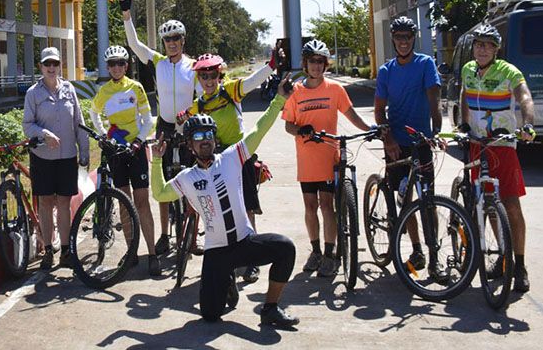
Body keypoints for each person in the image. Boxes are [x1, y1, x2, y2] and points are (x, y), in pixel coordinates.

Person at [150, 88, 301, 328]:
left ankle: (270, 308)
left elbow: (259, 129)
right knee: (211, 315)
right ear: (190, 146)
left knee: (286, 249)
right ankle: (227, 278)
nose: (205, 139)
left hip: (244, 243)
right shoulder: (188, 177)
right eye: (198, 136)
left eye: (208, 133)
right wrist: (157, 160)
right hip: (217, 252)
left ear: (215, 138)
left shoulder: (232, 157)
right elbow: (159, 193)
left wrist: (279, 99)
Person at [282, 39, 375, 278]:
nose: (316, 66)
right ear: (306, 64)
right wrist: (300, 130)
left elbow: (351, 114)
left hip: (328, 157)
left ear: (325, 65)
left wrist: (369, 128)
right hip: (306, 158)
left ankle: (330, 253)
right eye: (312, 61)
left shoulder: (335, 89)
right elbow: (289, 126)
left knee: (327, 205)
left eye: (320, 62)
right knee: (310, 206)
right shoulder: (296, 92)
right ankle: (314, 251)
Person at [119, 0, 201, 255]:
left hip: (189, 127)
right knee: (164, 183)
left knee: (193, 182)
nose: (172, 43)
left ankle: (192, 238)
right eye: (168, 39)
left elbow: (203, 98)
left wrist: (190, 114)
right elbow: (134, 45)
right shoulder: (157, 62)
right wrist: (127, 13)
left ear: (183, 40)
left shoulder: (194, 67)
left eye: (176, 38)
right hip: (165, 127)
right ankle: (165, 235)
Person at [459, 22, 536, 293]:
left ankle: (520, 265)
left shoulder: (507, 71)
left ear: (495, 49)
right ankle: (503, 257)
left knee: (511, 205)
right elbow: (465, 96)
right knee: (486, 203)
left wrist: (527, 124)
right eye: (478, 45)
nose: (481, 49)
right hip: (477, 146)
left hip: (502, 145)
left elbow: (525, 97)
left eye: (487, 45)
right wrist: (463, 123)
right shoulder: (469, 70)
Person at [177, 52, 267, 283]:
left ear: (220, 75)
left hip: (238, 155)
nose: (208, 80)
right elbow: (186, 119)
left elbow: (252, 82)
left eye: (213, 75)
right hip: (214, 156)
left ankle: (252, 261)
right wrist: (180, 119)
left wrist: (272, 66)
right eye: (204, 76)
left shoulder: (230, 91)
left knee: (246, 206)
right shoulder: (200, 104)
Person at [373, 16, 443, 275]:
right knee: (404, 199)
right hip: (396, 144)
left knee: (428, 200)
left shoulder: (425, 64)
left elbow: (434, 101)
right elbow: (379, 111)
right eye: (399, 37)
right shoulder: (386, 71)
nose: (403, 42)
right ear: (393, 38)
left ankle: (434, 253)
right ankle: (416, 248)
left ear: (414, 38)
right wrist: (387, 138)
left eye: (408, 37)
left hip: (420, 141)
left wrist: (436, 130)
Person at [89, 44, 161, 276]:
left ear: (126, 66)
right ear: (108, 68)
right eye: (112, 64)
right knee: (124, 201)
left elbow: (148, 119)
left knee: (142, 202)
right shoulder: (104, 91)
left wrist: (139, 140)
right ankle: (131, 253)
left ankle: (151, 254)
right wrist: (103, 135)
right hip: (116, 150)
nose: (117, 68)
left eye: (121, 63)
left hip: (136, 149)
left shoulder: (135, 87)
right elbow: (93, 113)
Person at [23, 46, 90, 271]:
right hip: (42, 156)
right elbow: (27, 125)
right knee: (45, 202)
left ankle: (65, 250)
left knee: (63, 202)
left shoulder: (69, 89)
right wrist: (43, 134)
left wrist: (85, 151)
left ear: (60, 66)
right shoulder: (33, 93)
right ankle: (49, 250)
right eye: (47, 64)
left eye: (55, 64)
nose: (51, 68)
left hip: (67, 156)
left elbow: (78, 121)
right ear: (41, 67)